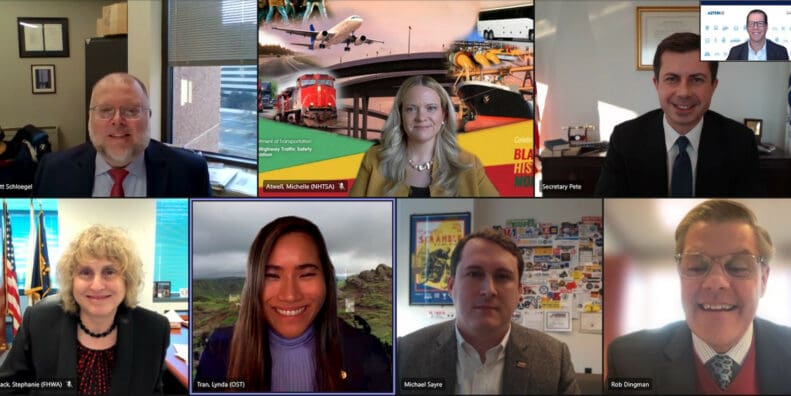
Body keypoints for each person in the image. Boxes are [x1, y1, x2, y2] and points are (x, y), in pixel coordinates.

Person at [607, 200, 791, 394]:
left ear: (763, 280)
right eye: (696, 266)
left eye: (738, 267)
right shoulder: (628, 361)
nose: (716, 282)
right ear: (680, 275)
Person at [194, 216, 391, 392]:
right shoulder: (219, 349)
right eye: (271, 276)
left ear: (327, 281)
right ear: (254, 283)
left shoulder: (367, 351)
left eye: (306, 275)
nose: (290, 295)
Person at [398, 228, 579, 395]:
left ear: (519, 292)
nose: (489, 290)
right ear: (451, 286)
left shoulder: (555, 358)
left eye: (502, 276)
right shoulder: (404, 354)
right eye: (475, 274)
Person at [0, 225, 171, 394]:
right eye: (85, 272)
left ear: (127, 280)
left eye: (109, 272)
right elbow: (8, 386)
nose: (97, 285)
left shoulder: (154, 329)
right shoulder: (39, 321)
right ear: (71, 280)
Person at [595, 32, 762, 197]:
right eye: (672, 79)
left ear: (713, 86)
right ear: (657, 84)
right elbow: (607, 207)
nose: (684, 92)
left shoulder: (741, 141)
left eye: (696, 79)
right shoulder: (624, 139)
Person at [34, 72, 211, 197]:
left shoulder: (190, 172)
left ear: (148, 117)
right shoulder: (52, 170)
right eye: (105, 110)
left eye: (131, 111)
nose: (117, 121)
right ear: (90, 118)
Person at [349, 75, 499, 197]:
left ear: (444, 116)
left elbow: (498, 219)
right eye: (411, 109)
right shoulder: (373, 160)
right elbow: (351, 220)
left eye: (431, 108)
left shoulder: (469, 165)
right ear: (400, 115)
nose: (421, 117)